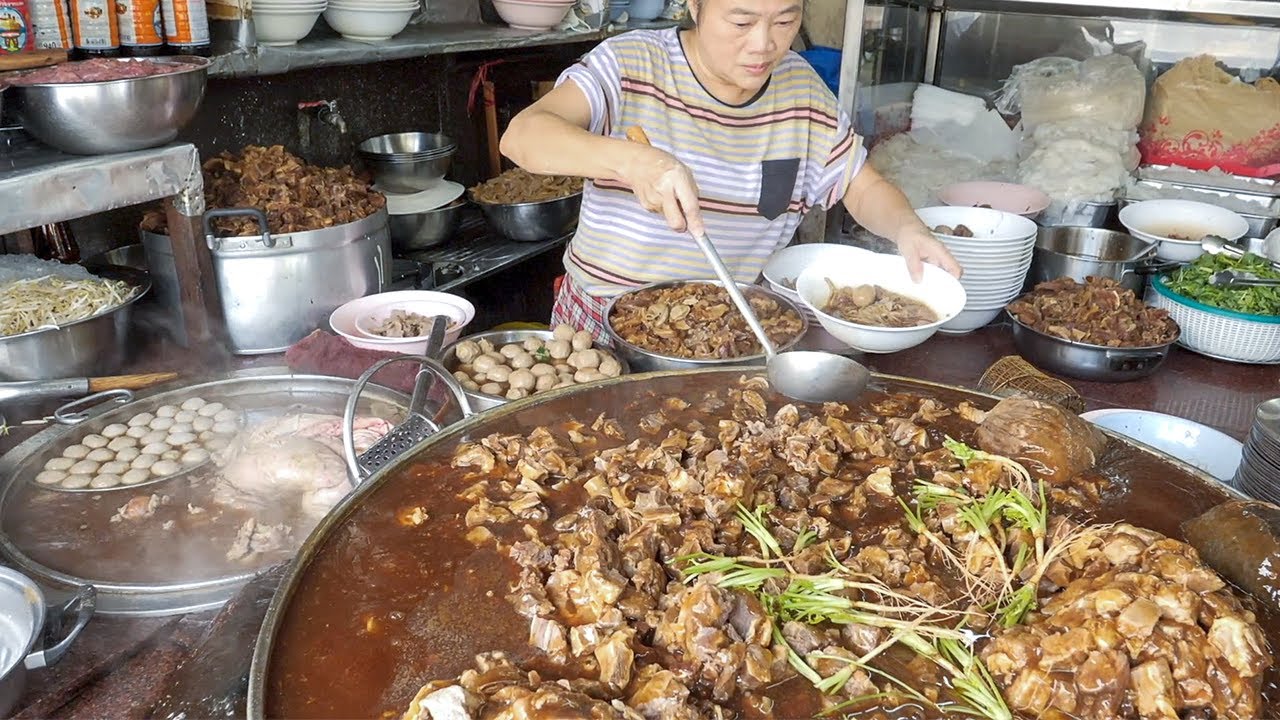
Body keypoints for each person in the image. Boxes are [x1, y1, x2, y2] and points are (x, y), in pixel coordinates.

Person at [500, 0, 961, 339]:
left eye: (786, 20)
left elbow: (861, 186)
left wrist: (907, 227)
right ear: (695, 6)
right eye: (741, 21)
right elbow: (523, 136)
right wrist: (635, 161)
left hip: (729, 327)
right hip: (600, 324)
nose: (764, 44)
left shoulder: (802, 90)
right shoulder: (630, 64)